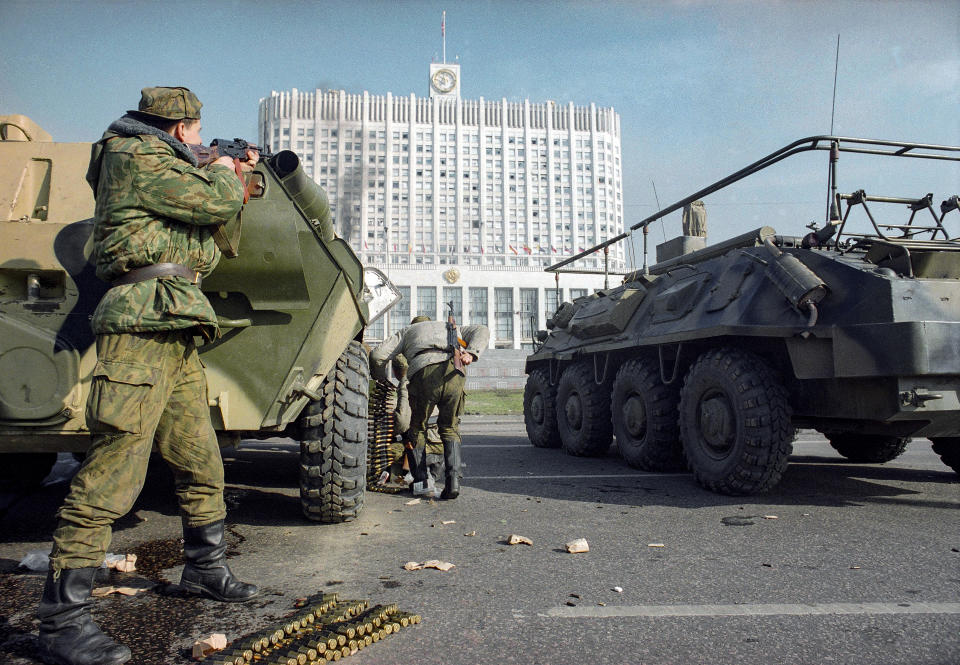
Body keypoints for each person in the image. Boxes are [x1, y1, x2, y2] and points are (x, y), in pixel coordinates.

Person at [36, 87, 259, 665]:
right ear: (182, 127)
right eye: (197, 129)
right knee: (114, 469)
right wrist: (226, 174)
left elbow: (219, 239)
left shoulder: (166, 162)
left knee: (199, 459)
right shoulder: (132, 155)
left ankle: (205, 570)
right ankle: (62, 621)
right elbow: (211, 206)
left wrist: (235, 179)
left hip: (175, 320)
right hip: (140, 319)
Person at [370, 315, 489, 500]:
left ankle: (421, 483)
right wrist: (472, 353)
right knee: (450, 428)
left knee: (417, 429)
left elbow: (377, 355)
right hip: (455, 372)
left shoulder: (407, 332)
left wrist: (380, 379)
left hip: (424, 373)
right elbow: (482, 329)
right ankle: (453, 484)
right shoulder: (448, 326)